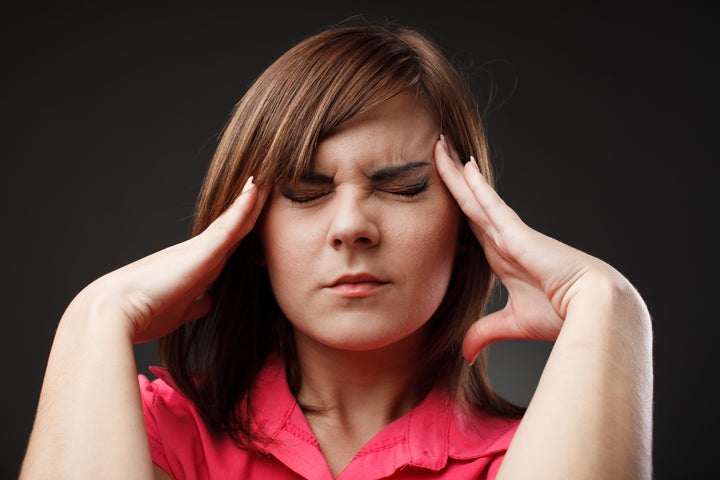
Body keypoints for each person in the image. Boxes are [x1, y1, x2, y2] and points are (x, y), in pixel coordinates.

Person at [19, 21, 654, 480]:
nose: (352, 226)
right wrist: (96, 313)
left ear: (465, 222)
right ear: (252, 235)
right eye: (303, 192)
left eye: (402, 188)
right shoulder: (156, 434)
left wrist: (608, 305)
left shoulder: (538, 452)